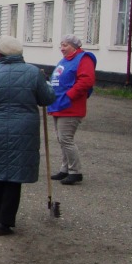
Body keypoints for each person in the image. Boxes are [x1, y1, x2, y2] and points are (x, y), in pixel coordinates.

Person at [0, 35, 54, 236]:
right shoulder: (33, 73)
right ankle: (5, 222)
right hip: (23, 130)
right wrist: (46, 82)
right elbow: (47, 98)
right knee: (15, 175)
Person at [48, 34, 97, 185]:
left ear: (74, 46)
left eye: (65, 45)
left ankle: (75, 171)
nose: (62, 48)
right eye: (61, 45)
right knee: (61, 139)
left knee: (66, 139)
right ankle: (65, 169)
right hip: (59, 104)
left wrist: (69, 96)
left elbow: (86, 81)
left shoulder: (84, 59)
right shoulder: (66, 60)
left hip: (70, 106)